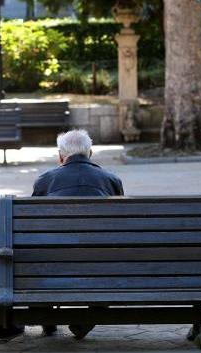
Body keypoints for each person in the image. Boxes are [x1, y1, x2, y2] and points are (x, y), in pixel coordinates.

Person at [31, 129, 124, 339]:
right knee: (114, 268)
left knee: (32, 258)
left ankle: (48, 319)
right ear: (90, 154)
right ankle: (84, 320)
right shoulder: (112, 181)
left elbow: (34, 227)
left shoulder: (44, 181)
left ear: (61, 156)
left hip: (53, 263)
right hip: (101, 265)